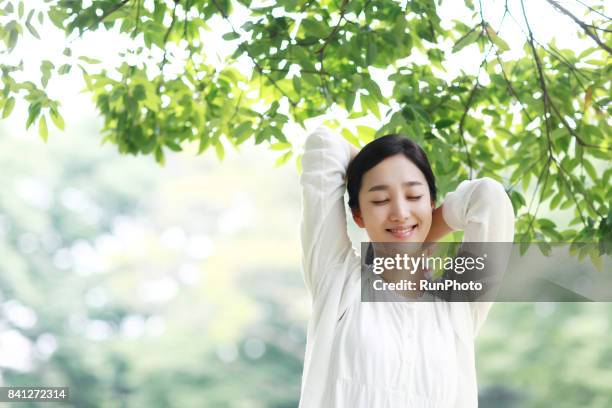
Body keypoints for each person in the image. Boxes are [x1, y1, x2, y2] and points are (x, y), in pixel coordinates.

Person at [298, 125, 515, 407]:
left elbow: (488, 199)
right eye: (380, 199)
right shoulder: (338, 281)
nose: (400, 213)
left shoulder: (457, 303)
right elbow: (324, 147)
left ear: (432, 203)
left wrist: (423, 234)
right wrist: (370, 165)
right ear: (358, 215)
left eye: (414, 197)